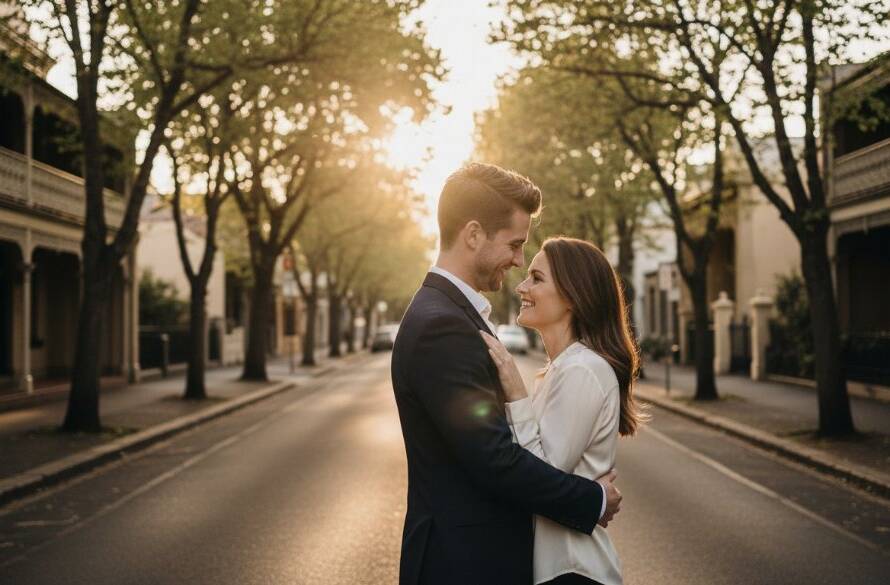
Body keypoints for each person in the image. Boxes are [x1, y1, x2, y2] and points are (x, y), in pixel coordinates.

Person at [391, 163, 623, 585]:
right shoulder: (442, 324)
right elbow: (495, 459)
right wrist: (592, 499)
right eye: (515, 245)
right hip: (463, 566)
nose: (518, 262)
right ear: (474, 234)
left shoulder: (453, 316)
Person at [480, 237, 646, 585]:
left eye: (537, 278)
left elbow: (542, 478)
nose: (522, 287)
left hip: (573, 571)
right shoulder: (562, 369)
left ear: (573, 295)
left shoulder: (582, 370)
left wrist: (515, 392)